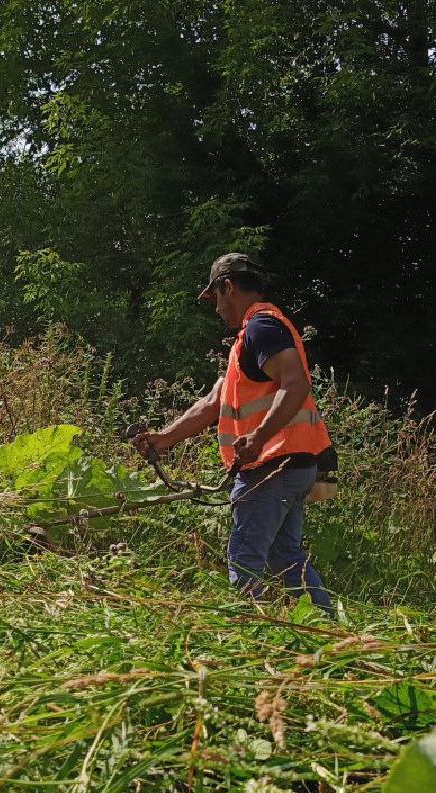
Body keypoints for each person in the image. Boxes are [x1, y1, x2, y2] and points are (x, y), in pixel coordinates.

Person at [132, 253, 334, 611]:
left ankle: (251, 632)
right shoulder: (252, 337)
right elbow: (213, 403)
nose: (216, 308)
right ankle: (326, 624)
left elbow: (296, 384)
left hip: (271, 465)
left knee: (244, 560)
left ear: (228, 287)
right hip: (292, 465)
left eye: (216, 298)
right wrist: (164, 439)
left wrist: (257, 438)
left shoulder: (262, 328)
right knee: (285, 555)